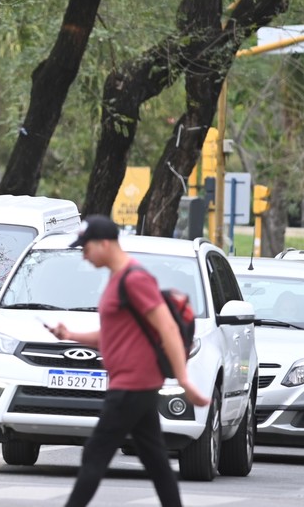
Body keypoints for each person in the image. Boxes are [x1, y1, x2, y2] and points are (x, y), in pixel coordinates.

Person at [46, 215, 209, 507]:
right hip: (135, 385)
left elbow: (168, 327)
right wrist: (69, 335)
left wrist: (184, 380)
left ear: (105, 244)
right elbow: (111, 336)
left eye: (86, 248)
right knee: (155, 459)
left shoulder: (135, 279)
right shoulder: (117, 279)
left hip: (131, 386)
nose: (84, 255)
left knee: (95, 454)